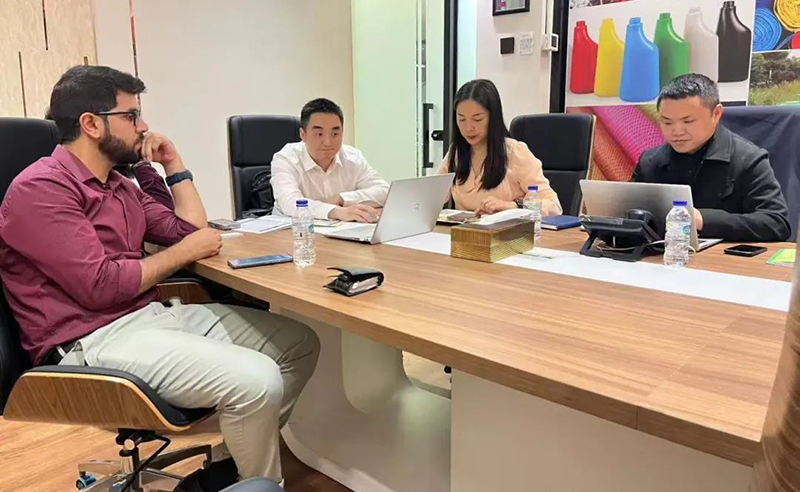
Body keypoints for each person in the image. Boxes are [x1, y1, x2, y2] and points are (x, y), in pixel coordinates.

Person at [0, 65, 320, 490]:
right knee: (257, 379)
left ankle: (232, 472)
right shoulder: (40, 189)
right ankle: (261, 484)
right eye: (131, 115)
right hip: (91, 340)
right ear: (91, 124)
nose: (143, 126)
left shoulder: (118, 185)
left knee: (300, 344)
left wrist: (173, 164)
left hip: (150, 315)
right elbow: (101, 286)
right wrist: (184, 252)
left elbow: (190, 230)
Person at [632, 73, 791, 242]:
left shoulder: (748, 160)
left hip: (722, 256)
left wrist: (703, 220)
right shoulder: (650, 161)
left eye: (688, 121)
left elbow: (776, 223)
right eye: (667, 122)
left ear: (716, 114)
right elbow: (626, 212)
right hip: (661, 254)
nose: (677, 131)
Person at [437, 79, 561, 216]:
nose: (468, 128)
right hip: (464, 229)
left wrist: (514, 206)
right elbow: (432, 196)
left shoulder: (515, 152)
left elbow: (553, 206)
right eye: (461, 119)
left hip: (510, 229)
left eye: (477, 119)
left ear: (493, 117)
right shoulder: (456, 153)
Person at [270, 98, 389, 222]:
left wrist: (342, 199)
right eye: (319, 134)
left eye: (335, 134)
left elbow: (384, 191)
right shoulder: (286, 158)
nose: (328, 142)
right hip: (292, 230)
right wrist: (336, 211)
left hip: (341, 229)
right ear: (303, 134)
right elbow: (290, 202)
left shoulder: (353, 157)